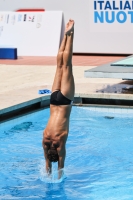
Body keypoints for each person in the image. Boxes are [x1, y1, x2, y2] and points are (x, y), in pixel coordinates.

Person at [42, 19, 75, 178]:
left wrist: (57, 177)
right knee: (59, 65)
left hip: (64, 102)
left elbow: (60, 168)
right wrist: (48, 173)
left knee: (67, 65)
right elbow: (47, 164)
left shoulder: (59, 141)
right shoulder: (45, 139)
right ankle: (65, 36)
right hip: (53, 100)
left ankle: (71, 34)